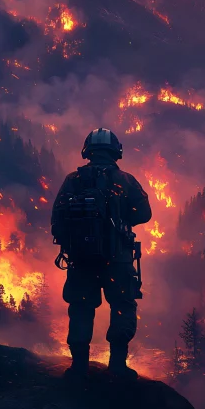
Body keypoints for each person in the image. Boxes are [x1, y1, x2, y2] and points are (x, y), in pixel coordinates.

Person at [51, 128, 152, 378]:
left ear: (87, 151)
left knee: (81, 308)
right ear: (116, 151)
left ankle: (78, 367)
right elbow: (144, 214)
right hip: (118, 259)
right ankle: (117, 366)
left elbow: (56, 219)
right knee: (122, 306)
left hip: (81, 259)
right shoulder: (125, 180)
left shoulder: (72, 180)